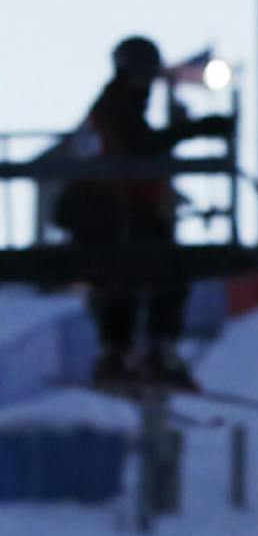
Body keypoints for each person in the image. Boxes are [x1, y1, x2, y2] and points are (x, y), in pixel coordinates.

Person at [55, 36, 229, 390]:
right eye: (143, 75)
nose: (146, 84)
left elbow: (138, 148)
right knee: (162, 269)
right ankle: (151, 352)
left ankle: (120, 354)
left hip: (105, 213)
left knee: (126, 279)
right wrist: (191, 130)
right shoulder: (116, 108)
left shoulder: (114, 107)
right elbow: (139, 147)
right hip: (108, 211)